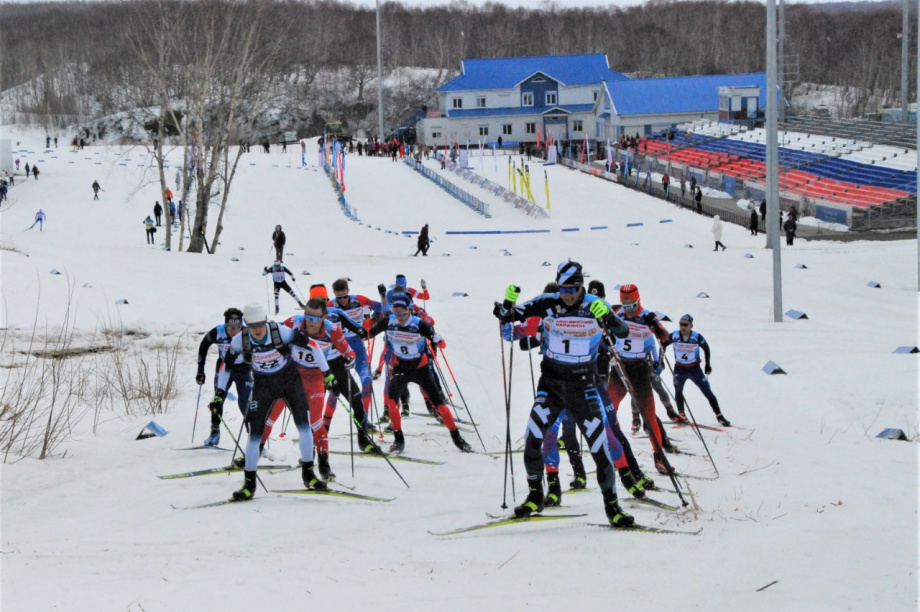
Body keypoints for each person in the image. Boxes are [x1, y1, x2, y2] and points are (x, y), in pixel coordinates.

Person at [493, 261, 636, 528]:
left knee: (599, 448)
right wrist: (506, 304)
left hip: (584, 387)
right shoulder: (548, 302)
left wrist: (608, 316)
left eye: (573, 289)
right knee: (533, 439)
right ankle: (536, 496)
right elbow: (508, 315)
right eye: (563, 289)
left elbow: (623, 332)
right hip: (551, 386)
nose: (567, 294)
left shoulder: (595, 304)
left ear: (582, 286)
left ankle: (613, 507)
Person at [218, 303, 333, 501]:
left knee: (304, 426)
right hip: (263, 385)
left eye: (260, 324)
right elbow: (226, 365)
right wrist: (220, 393)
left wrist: (327, 373)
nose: (257, 329)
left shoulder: (280, 331)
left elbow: (313, 345)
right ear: (246, 324)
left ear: (266, 321)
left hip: (290, 381)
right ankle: (249, 484)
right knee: (255, 433)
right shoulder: (239, 340)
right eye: (252, 326)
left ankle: (308, 474)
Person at [366, 294, 473, 454]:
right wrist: (365, 325)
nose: (399, 317)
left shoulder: (418, 324)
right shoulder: (389, 321)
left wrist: (437, 338)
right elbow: (368, 334)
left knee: (439, 404)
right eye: (396, 313)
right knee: (392, 403)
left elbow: (442, 344)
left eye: (402, 314)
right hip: (400, 367)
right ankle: (398, 440)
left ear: (409, 310)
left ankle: (457, 438)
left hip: (420, 368)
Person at [605, 284, 677, 475]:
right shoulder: (616, 313)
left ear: (638, 300)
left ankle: (659, 457)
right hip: (620, 366)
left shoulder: (647, 316)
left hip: (639, 368)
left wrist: (656, 328)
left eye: (631, 305)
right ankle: (615, 451)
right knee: (609, 408)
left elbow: (664, 338)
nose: (628, 309)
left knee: (649, 414)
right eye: (625, 305)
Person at [196, 308, 252, 447]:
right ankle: (214, 433)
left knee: (245, 402)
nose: (234, 331)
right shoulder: (218, 331)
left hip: (243, 369)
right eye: (230, 327)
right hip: (224, 367)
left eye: (237, 327)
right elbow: (203, 347)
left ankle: (253, 435)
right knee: (218, 399)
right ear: (225, 324)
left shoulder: (248, 333)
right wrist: (200, 371)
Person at [665, 314, 730, 427]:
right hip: (680, 368)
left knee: (707, 392)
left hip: (694, 369)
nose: (683, 327)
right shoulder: (674, 335)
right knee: (678, 391)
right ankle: (681, 414)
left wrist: (707, 364)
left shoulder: (696, 336)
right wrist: (660, 360)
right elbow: (663, 344)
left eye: (685, 325)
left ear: (691, 326)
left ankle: (719, 416)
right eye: (681, 324)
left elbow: (706, 348)